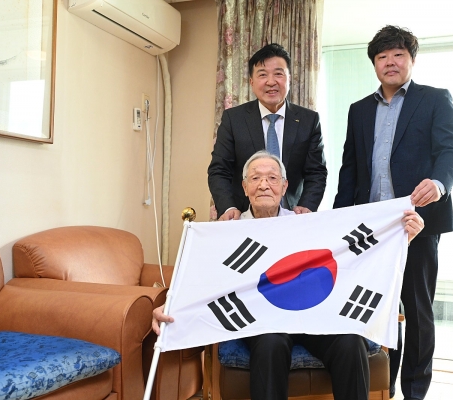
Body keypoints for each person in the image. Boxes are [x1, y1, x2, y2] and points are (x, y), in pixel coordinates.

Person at [155, 151, 425, 400]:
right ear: (244, 187)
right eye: (255, 178)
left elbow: (353, 260)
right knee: (271, 342)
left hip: (313, 316)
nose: (264, 185)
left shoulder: (306, 224)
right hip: (262, 322)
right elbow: (202, 279)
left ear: (284, 187)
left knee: (350, 341)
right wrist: (170, 305)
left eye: (272, 178)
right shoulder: (228, 231)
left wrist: (401, 238)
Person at [333, 25, 453, 400]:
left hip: (416, 224)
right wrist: (339, 220)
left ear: (411, 59)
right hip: (370, 230)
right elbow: (350, 170)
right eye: (382, 56)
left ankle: (415, 392)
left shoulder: (434, 99)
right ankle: (384, 387)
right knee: (376, 310)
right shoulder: (359, 110)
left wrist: (438, 184)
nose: (390, 62)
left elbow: (451, 151)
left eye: (398, 55)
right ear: (374, 63)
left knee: (418, 312)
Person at [207, 43, 327, 221]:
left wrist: (307, 205)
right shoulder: (234, 119)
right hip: (245, 218)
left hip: (292, 217)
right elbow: (219, 169)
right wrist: (228, 207)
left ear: (289, 78)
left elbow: (316, 172)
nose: (271, 82)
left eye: (278, 74)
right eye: (262, 75)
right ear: (251, 82)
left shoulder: (308, 120)